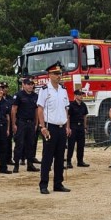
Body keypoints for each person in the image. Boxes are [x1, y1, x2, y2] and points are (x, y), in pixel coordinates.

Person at [37, 63, 71, 194]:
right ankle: (43, 184)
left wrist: (67, 126)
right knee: (47, 157)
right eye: (56, 74)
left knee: (60, 157)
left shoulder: (63, 90)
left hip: (62, 127)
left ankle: (58, 183)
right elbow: (40, 109)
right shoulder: (45, 89)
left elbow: (66, 109)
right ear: (49, 75)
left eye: (60, 74)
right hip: (50, 127)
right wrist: (42, 127)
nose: (59, 76)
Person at [11, 78, 39, 173]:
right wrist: (14, 124)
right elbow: (14, 109)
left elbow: (36, 110)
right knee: (19, 144)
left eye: (32, 84)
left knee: (31, 144)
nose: (30, 86)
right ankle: (16, 165)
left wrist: (36, 123)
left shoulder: (35, 96)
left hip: (31, 123)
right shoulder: (19, 95)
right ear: (24, 85)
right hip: (21, 122)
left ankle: (30, 164)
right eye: (28, 84)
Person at [66, 89, 89, 168]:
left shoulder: (83, 105)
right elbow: (68, 117)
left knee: (81, 145)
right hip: (73, 126)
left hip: (81, 126)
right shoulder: (71, 105)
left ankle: (80, 161)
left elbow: (85, 116)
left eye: (82, 95)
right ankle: (68, 161)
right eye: (79, 95)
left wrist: (85, 127)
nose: (81, 96)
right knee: (71, 145)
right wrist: (68, 127)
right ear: (75, 96)